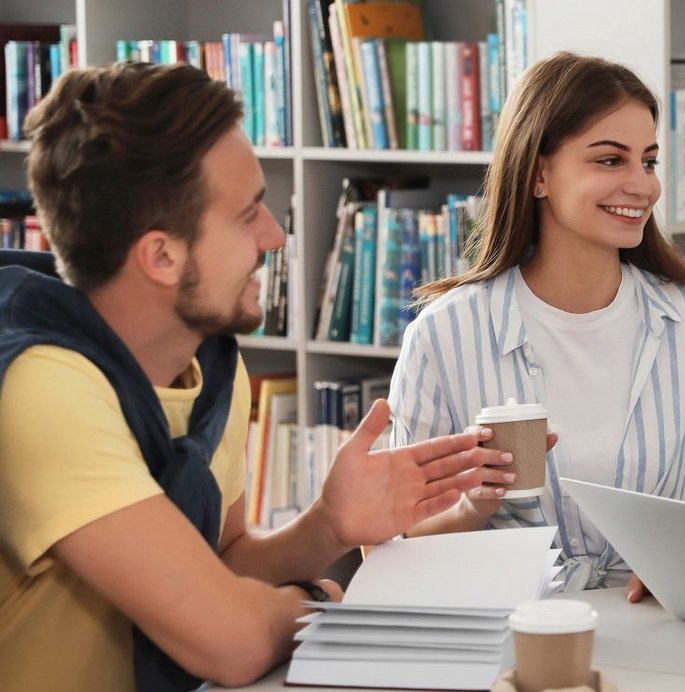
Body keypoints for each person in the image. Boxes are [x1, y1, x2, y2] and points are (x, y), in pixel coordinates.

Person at [0, 62, 504, 690]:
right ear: (161, 255)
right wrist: (312, 602)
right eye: (247, 214)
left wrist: (329, 525)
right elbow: (230, 642)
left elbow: (220, 567)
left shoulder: (210, 365)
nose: (274, 237)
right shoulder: (40, 387)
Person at [388, 51, 685, 595]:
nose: (643, 186)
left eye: (648, 162)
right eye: (610, 160)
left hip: (666, 627)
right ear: (539, 174)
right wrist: (472, 505)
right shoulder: (445, 334)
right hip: (512, 629)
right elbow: (393, 542)